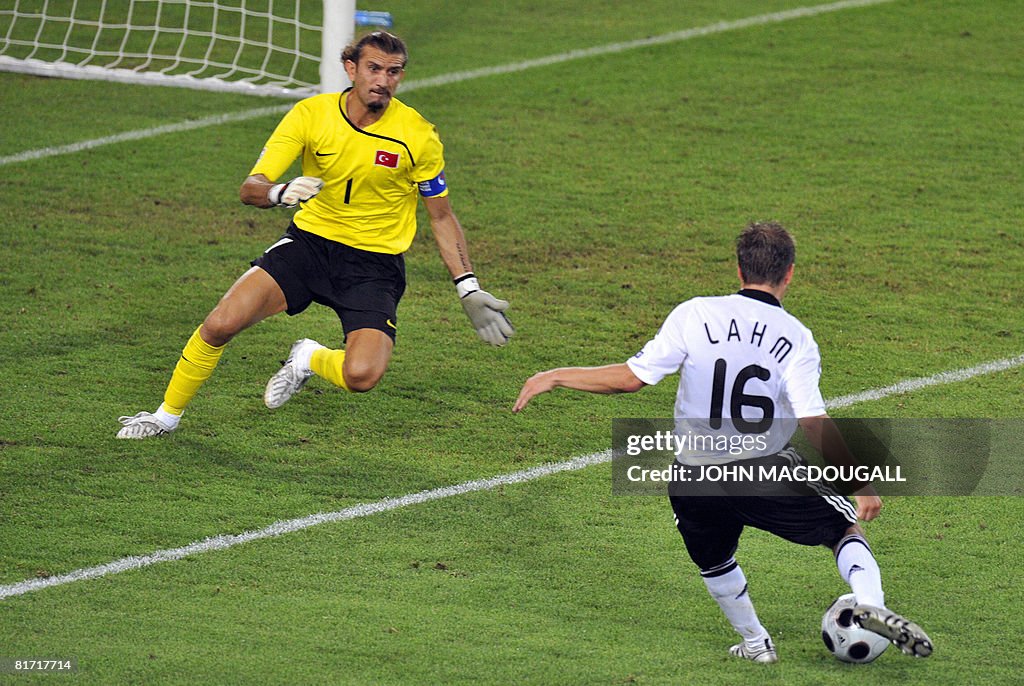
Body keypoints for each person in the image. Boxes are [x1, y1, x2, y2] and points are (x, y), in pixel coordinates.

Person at [513, 222, 931, 664]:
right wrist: (859, 481)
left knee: (715, 560)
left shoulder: (695, 313)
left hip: (693, 477)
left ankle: (756, 643)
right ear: (789, 273)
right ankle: (871, 602)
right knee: (843, 530)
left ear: (738, 269)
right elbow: (813, 422)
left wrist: (555, 375)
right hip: (765, 471)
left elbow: (630, 379)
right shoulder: (797, 338)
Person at [118, 31, 513, 439]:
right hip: (309, 246)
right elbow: (251, 188)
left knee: (362, 375)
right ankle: (164, 416)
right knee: (221, 323)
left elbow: (442, 217)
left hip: (373, 265)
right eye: (374, 68)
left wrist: (468, 287)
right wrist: (280, 192)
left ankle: (309, 357)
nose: (383, 80)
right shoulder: (311, 115)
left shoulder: (418, 136)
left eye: (393, 72)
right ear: (351, 68)